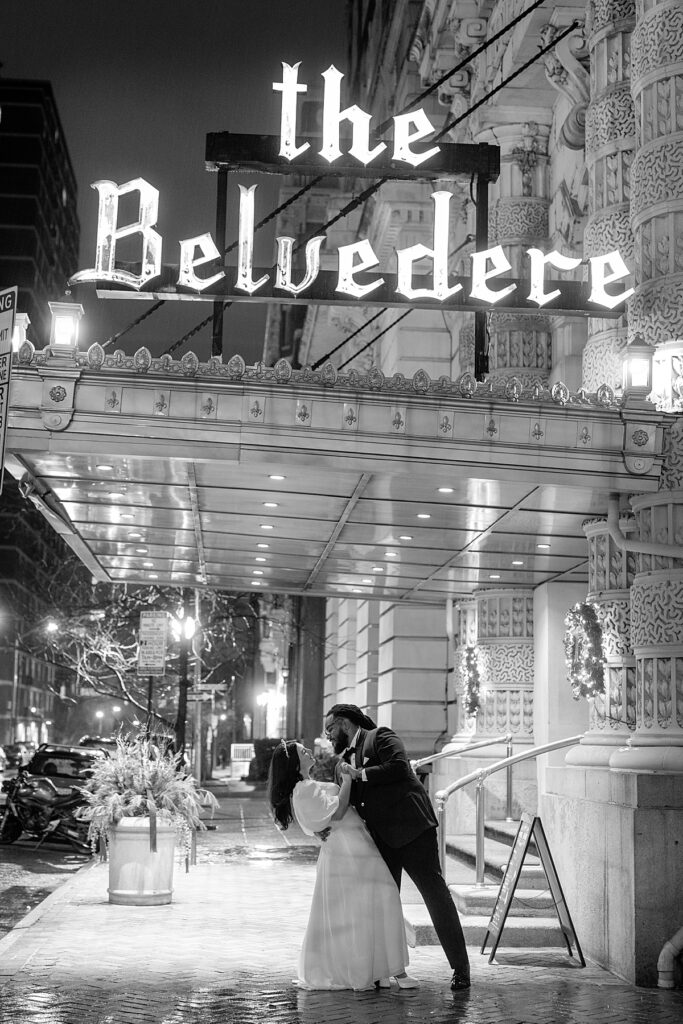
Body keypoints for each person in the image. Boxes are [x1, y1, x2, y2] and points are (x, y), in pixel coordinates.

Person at [324, 704, 471, 992]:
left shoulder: (380, 736)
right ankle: (383, 971)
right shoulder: (342, 763)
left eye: (330, 729)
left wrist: (360, 774)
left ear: (344, 723)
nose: (328, 736)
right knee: (383, 904)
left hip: (413, 831)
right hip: (381, 842)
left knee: (436, 897)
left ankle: (461, 969)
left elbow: (399, 767)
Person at [267, 738, 416, 992]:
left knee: (373, 904)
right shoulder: (303, 789)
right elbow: (334, 812)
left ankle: (382, 970)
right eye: (303, 751)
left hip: (354, 845)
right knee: (374, 902)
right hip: (348, 851)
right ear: (294, 762)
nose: (308, 751)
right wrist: (346, 782)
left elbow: (319, 819)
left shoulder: (307, 786)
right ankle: (386, 971)